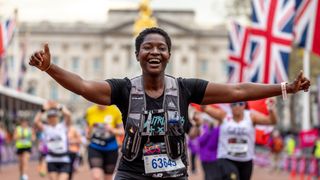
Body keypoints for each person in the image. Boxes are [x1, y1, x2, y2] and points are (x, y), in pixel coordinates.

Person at [29, 27, 310, 179]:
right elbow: (83, 86)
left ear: (169, 55)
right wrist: (50, 69)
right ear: (137, 54)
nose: (154, 52)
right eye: (147, 47)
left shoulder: (186, 88)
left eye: (161, 47)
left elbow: (237, 91)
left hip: (173, 174)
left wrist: (285, 88)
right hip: (131, 174)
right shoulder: (124, 89)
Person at [201, 99, 278, 180]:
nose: (237, 106)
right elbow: (205, 108)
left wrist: (271, 109)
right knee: (233, 177)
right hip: (226, 158)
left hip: (246, 160)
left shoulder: (251, 117)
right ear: (230, 105)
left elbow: (271, 121)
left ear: (244, 105)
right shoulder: (224, 115)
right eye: (234, 104)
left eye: (240, 104)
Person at [34, 101, 72, 180]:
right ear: (48, 119)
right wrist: (43, 110)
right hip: (51, 159)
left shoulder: (63, 126)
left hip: (64, 159)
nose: (52, 119)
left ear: (58, 118)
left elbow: (68, 115)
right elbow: (36, 121)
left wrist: (59, 106)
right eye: (50, 117)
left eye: (54, 117)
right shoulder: (46, 128)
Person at [85, 104, 124, 180]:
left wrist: (112, 130)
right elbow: (88, 128)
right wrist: (88, 133)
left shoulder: (115, 111)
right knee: (96, 177)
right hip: (95, 146)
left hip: (111, 148)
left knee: (108, 178)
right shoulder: (90, 111)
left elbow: (122, 131)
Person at [189, 108, 221, 180]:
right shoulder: (205, 129)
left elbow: (216, 141)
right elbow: (199, 141)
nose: (206, 122)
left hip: (212, 157)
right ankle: (193, 169)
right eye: (205, 121)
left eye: (207, 121)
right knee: (208, 175)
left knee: (212, 176)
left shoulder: (214, 130)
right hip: (205, 157)